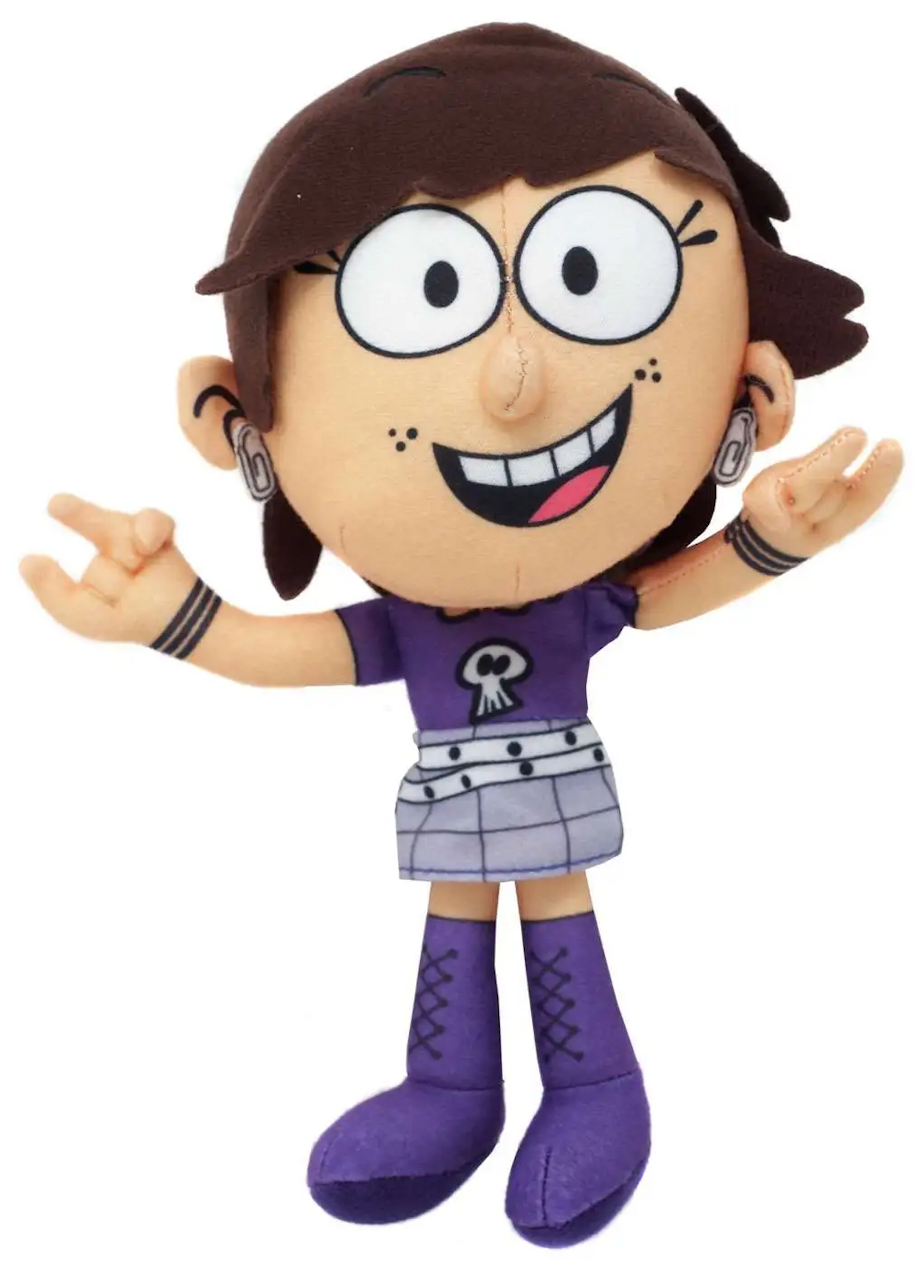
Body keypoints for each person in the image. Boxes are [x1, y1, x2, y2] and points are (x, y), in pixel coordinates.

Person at [19, 23, 902, 1248]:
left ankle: (594, 1086)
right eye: (422, 296)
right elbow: (282, 653)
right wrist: (174, 618)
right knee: (453, 923)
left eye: (594, 274)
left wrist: (769, 541)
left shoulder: (574, 605)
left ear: (748, 380)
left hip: (548, 790)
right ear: (231, 419)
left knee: (555, 912)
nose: (512, 382)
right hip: (452, 802)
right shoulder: (408, 628)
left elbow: (663, 596)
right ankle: (449, 1091)